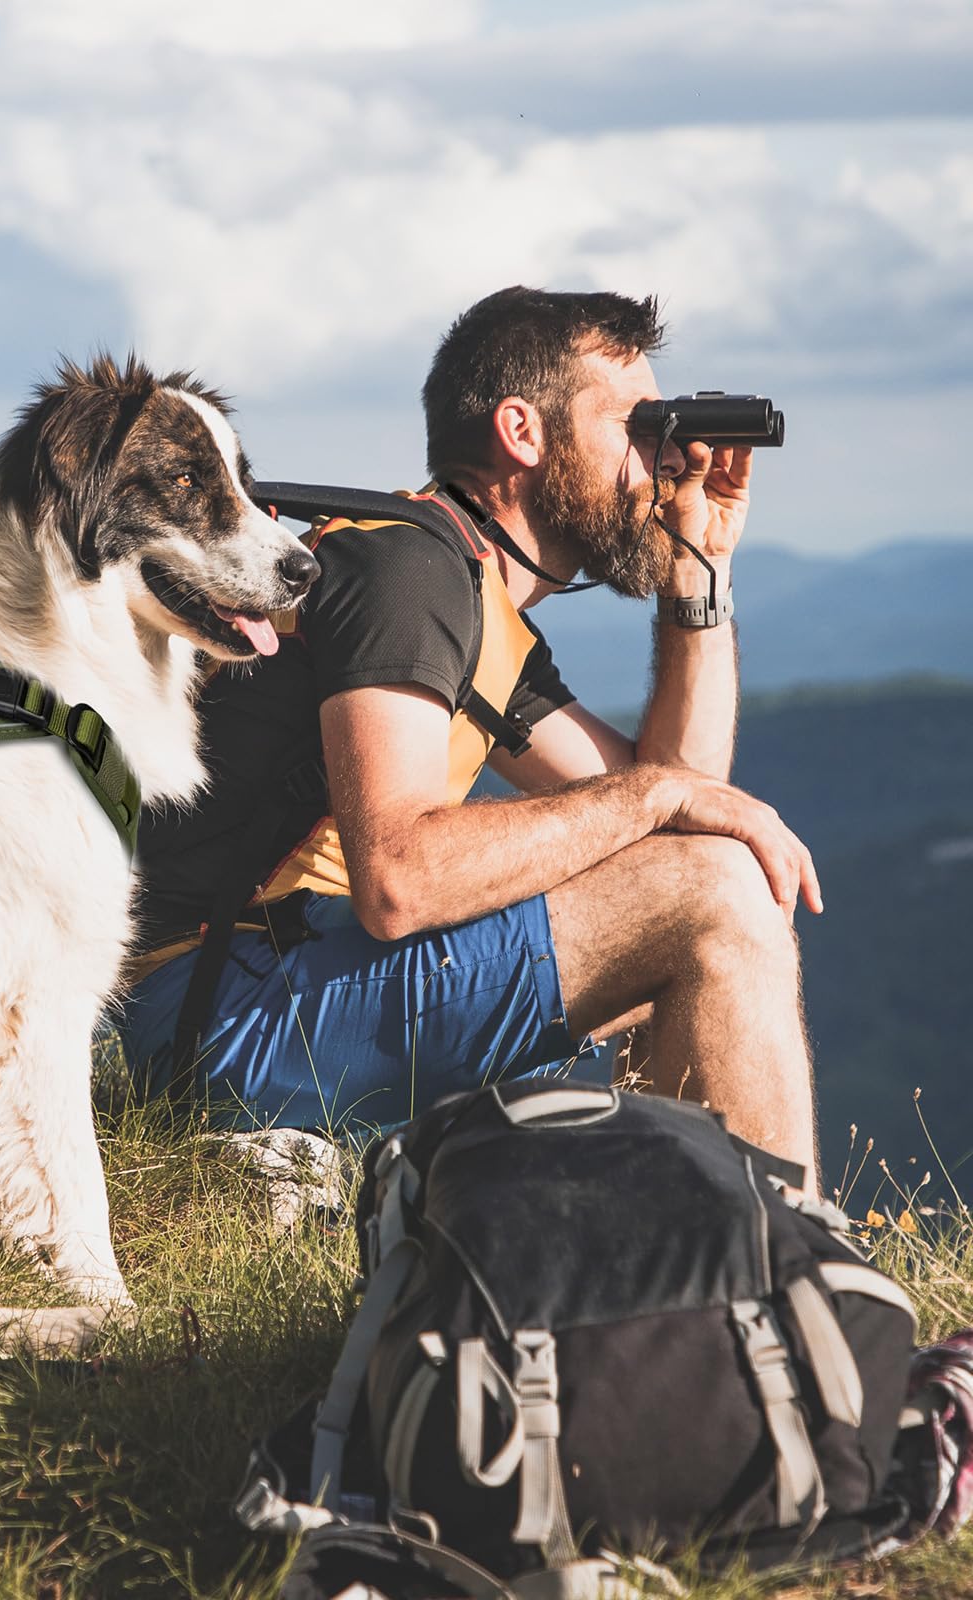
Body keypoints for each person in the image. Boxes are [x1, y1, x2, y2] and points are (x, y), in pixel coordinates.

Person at [116, 286, 821, 1180]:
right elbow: (400, 879)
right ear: (523, 433)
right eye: (637, 430)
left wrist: (702, 568)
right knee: (713, 892)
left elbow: (686, 802)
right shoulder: (409, 569)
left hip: (266, 988)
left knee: (698, 872)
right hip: (210, 1013)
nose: (660, 463)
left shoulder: (479, 606)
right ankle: (787, 1278)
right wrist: (653, 795)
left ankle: (691, 1269)